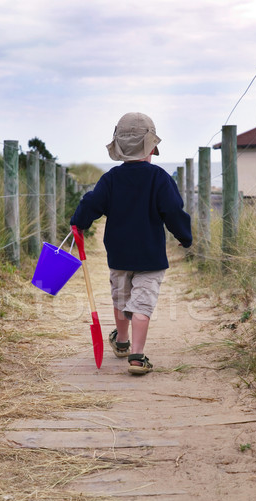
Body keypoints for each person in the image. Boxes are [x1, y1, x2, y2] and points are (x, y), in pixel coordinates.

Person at [70, 112, 192, 375]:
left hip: (119, 254)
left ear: (120, 149)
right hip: (150, 257)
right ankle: (137, 357)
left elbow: (91, 203)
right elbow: (172, 210)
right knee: (142, 306)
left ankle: (121, 342)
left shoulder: (111, 179)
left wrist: (79, 222)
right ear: (150, 149)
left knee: (121, 300)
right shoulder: (160, 178)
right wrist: (184, 236)